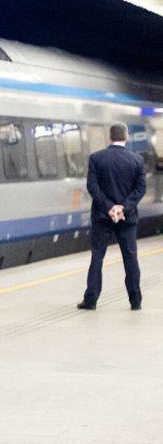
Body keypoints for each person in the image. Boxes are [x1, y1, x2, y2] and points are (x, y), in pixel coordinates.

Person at [79, 122, 147, 310]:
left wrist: (109, 207)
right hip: (128, 218)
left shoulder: (96, 159)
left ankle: (91, 300)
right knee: (130, 257)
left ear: (110, 137)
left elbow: (93, 187)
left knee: (97, 256)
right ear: (127, 137)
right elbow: (141, 188)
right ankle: (135, 301)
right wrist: (123, 208)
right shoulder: (136, 160)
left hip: (102, 217)